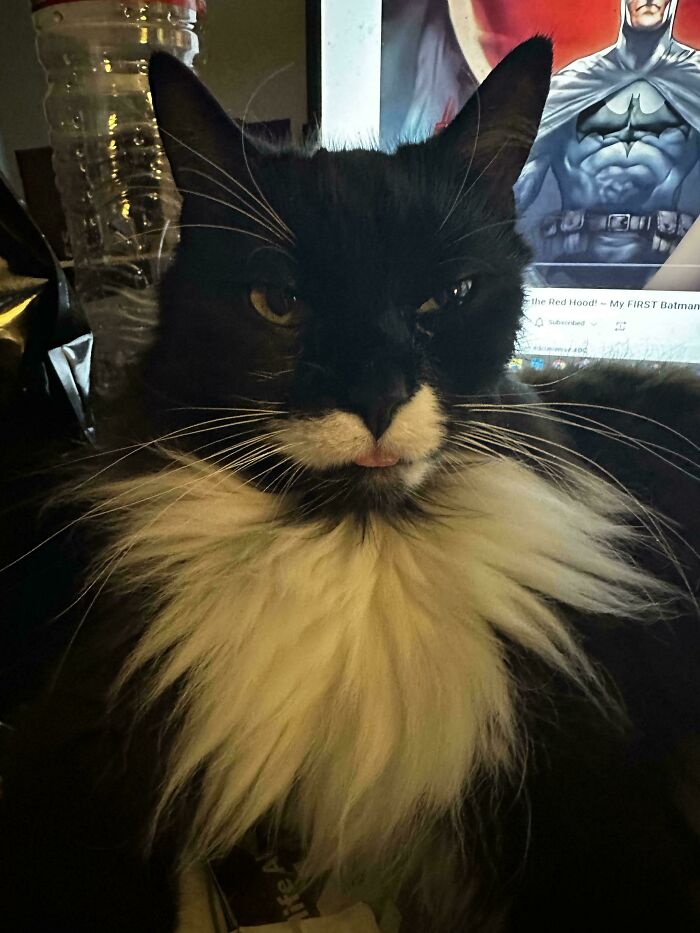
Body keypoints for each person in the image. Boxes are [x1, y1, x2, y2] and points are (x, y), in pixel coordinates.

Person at [515, 0, 700, 287]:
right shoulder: (573, 83)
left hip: (669, 279)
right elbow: (511, 187)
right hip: (567, 271)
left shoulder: (695, 81)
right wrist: (514, 269)